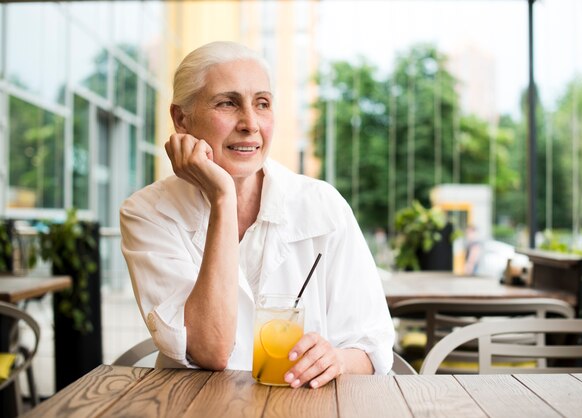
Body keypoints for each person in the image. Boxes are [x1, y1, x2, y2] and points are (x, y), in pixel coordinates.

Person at [119, 41, 394, 389]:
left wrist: (336, 360)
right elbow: (210, 350)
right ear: (181, 119)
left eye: (262, 103)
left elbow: (374, 346)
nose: (250, 123)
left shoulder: (324, 205)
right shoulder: (147, 213)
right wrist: (222, 198)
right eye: (227, 103)